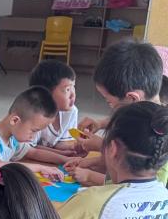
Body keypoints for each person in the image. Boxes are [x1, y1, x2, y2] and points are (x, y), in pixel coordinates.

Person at [68, 40, 167, 186]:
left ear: (132, 98)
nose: (110, 107)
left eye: (109, 102)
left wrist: (102, 147)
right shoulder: (144, 116)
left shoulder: (159, 138)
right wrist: (100, 125)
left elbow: (138, 188)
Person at [0, 86, 65, 179]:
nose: (33, 137)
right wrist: (41, 168)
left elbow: (33, 152)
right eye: (33, 131)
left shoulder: (12, 136)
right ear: (15, 120)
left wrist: (65, 160)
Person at [28, 59, 82, 163]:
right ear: (46, 94)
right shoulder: (34, 114)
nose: (73, 94)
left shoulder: (71, 112)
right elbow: (29, 149)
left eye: (73, 87)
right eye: (67, 89)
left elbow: (59, 143)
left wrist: (73, 148)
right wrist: (63, 157)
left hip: (47, 160)